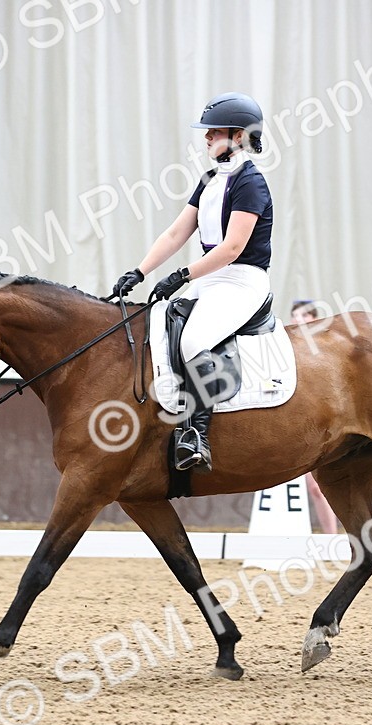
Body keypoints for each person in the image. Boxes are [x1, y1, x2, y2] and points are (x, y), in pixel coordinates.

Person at [111, 92, 274, 473]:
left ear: (238, 136)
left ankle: (195, 434)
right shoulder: (211, 180)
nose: (206, 139)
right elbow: (174, 234)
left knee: (194, 339)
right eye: (207, 133)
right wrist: (140, 270)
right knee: (158, 328)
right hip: (210, 279)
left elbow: (233, 247)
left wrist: (182, 275)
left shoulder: (251, 183)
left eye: (213, 132)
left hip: (242, 281)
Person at [289, 300, 340, 535]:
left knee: (320, 486)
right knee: (315, 488)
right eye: (295, 316)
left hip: (325, 421)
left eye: (304, 316)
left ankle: (331, 536)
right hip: (298, 421)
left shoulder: (324, 349)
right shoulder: (288, 347)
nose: (298, 321)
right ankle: (330, 536)